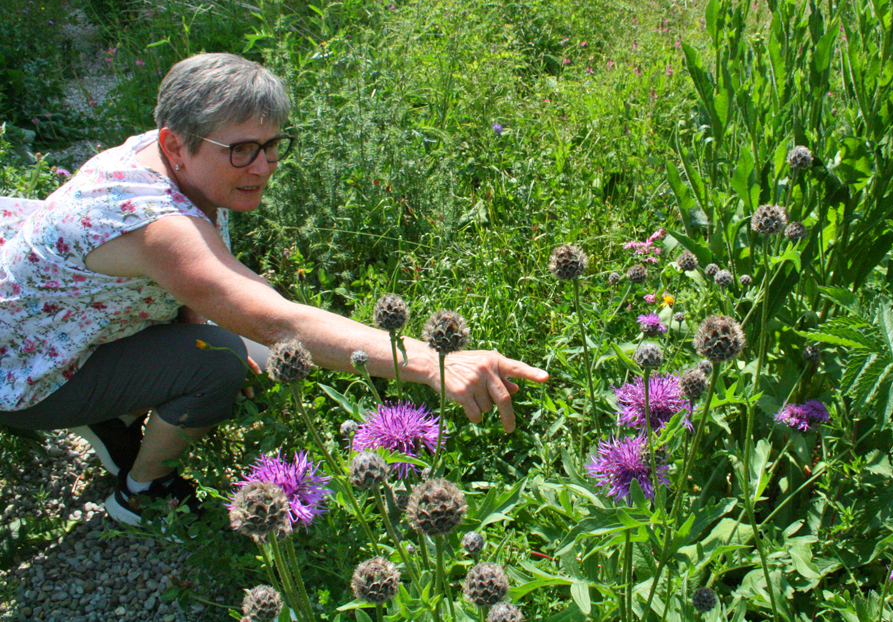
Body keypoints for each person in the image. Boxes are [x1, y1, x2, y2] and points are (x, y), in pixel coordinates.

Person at [0, 52, 548, 526]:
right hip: (23, 377)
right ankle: (140, 491)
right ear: (175, 143)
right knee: (220, 361)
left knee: (249, 351)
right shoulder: (156, 224)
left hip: (56, 327)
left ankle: (119, 409)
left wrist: (194, 315)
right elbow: (276, 322)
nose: (262, 166)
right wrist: (431, 362)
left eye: (271, 145)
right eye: (241, 150)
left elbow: (214, 289)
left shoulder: (164, 154)